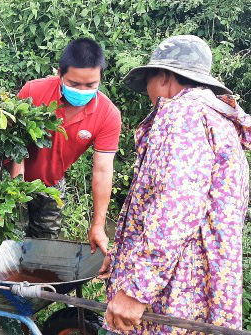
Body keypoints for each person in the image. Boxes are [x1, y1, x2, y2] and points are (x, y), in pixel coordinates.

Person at [99, 35, 250, 334]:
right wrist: (121, 259)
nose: (148, 94)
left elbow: (174, 210)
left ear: (164, 77)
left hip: (177, 290)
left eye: (148, 84)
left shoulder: (183, 115)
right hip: (201, 290)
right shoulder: (218, 119)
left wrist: (134, 291)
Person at [11, 38, 121, 255]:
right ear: (60, 73)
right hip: (14, 179)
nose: (82, 90)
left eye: (90, 85)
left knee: (43, 248)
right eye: (73, 84)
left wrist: (98, 225)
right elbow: (16, 147)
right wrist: (16, 191)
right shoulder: (33, 91)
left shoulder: (108, 115)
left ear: (100, 78)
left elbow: (102, 170)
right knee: (10, 244)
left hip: (52, 183)